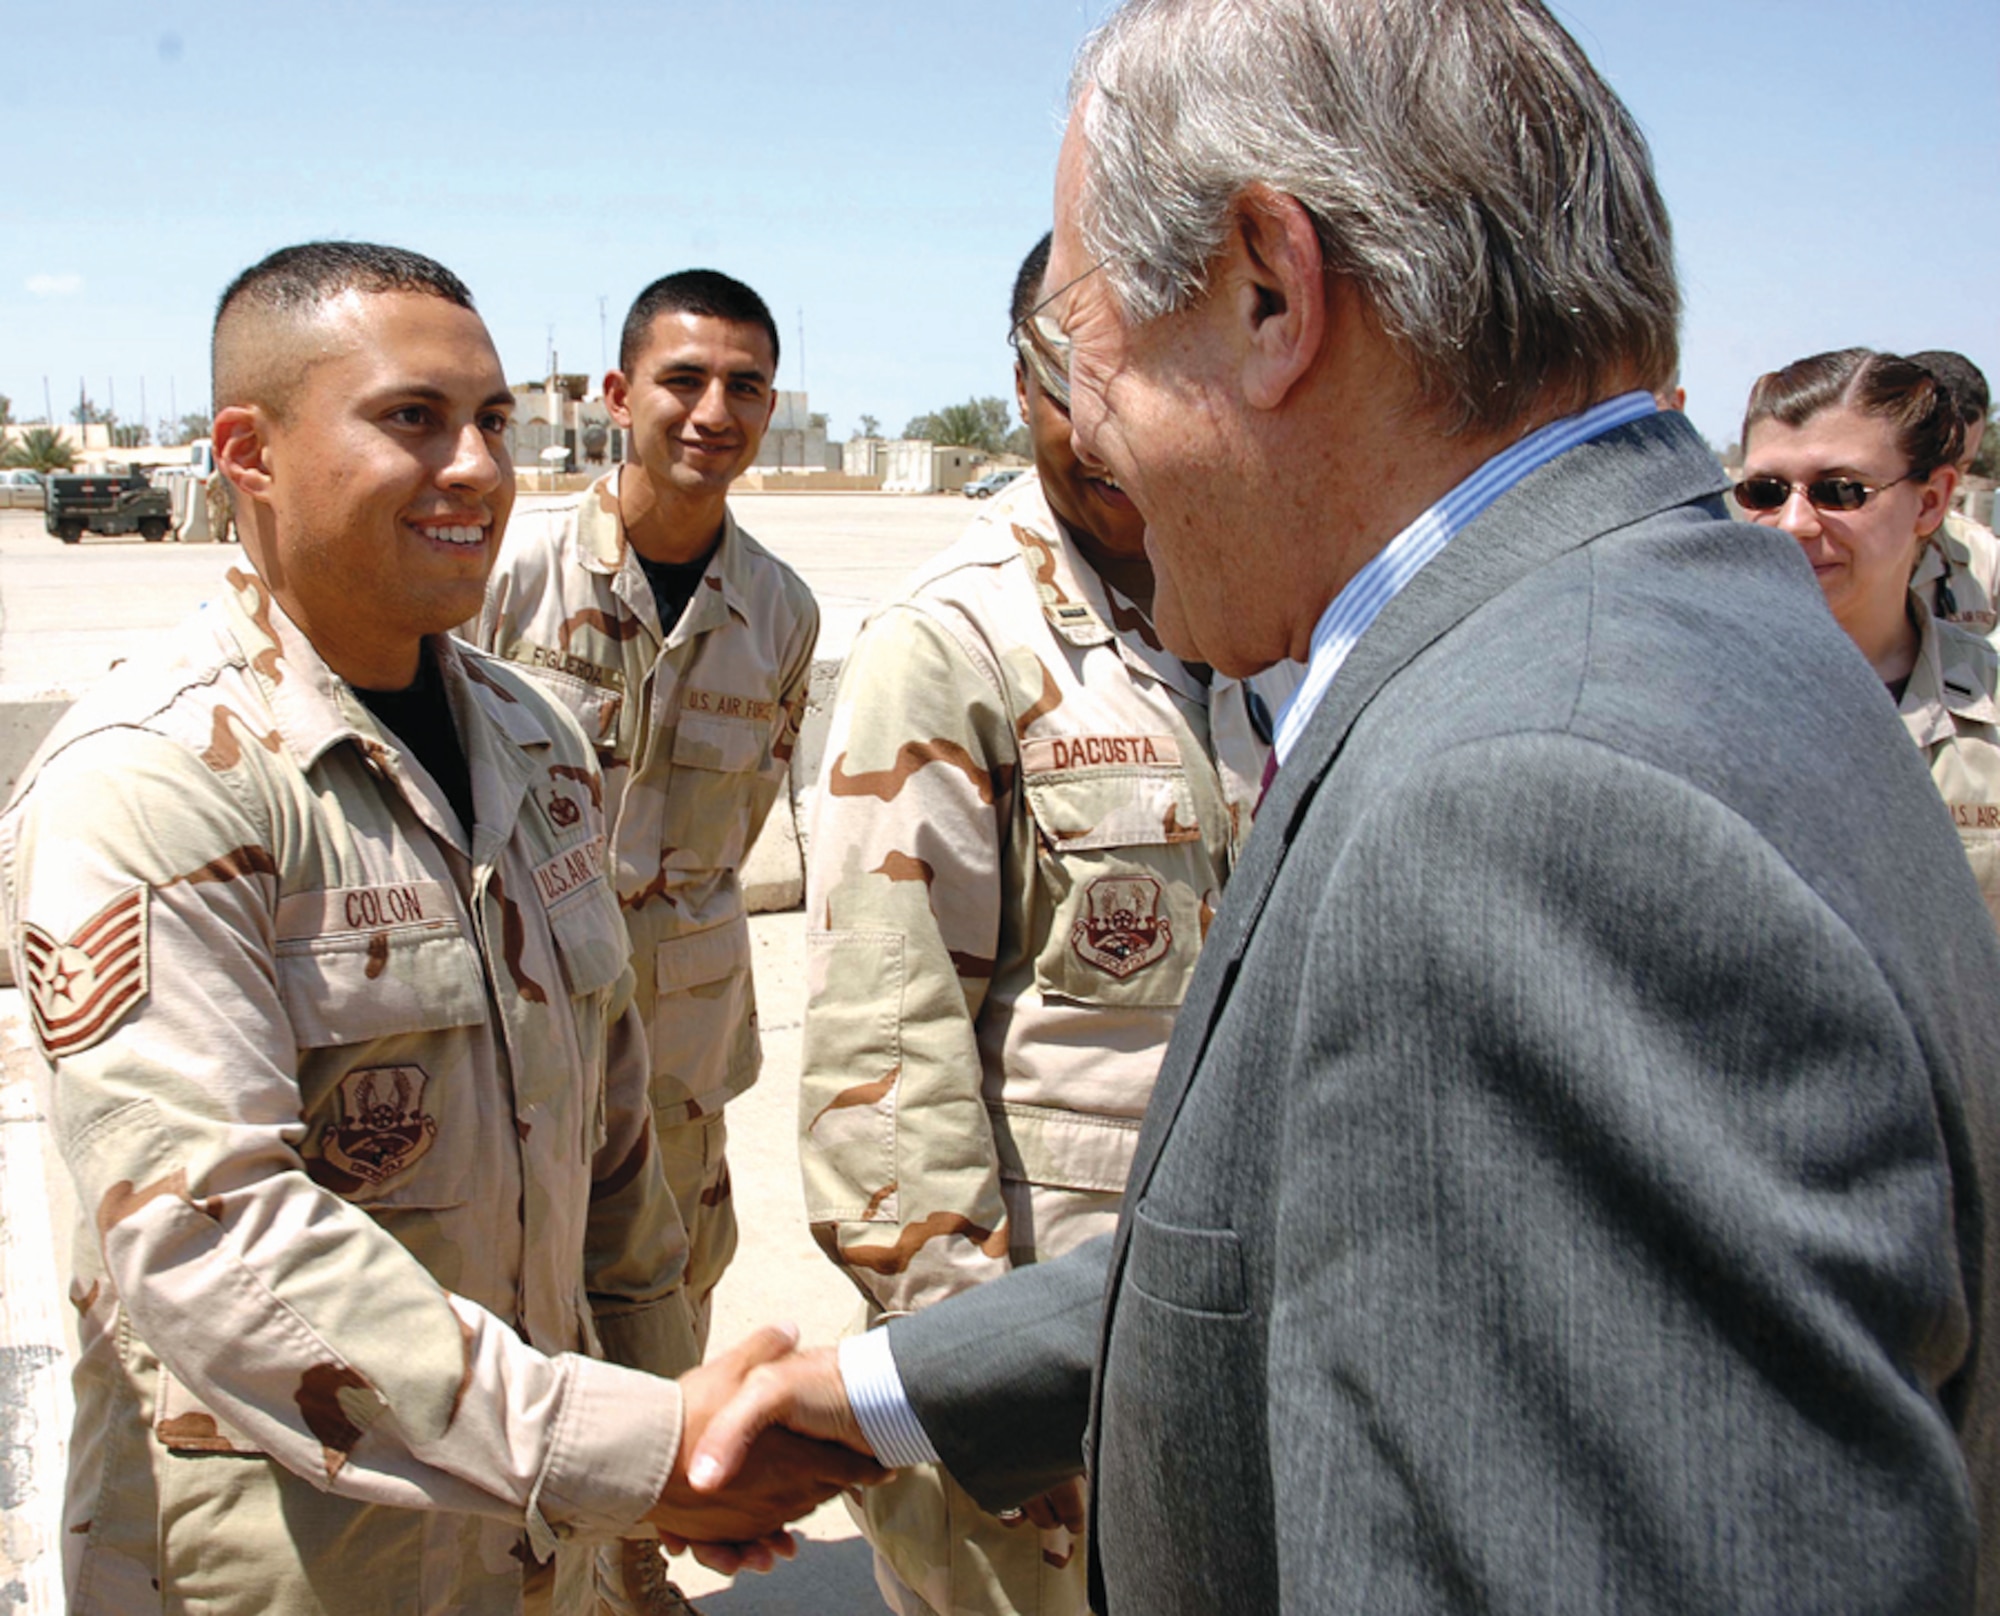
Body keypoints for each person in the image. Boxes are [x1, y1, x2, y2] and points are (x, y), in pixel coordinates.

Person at [687, 3, 2000, 1610]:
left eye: (1088, 336)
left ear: (1268, 293)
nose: (1080, 423)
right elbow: (1363, 1238)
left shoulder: (1535, 805)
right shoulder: (1688, 624)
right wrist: (888, 1392)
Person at [0, 242, 871, 1615]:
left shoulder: (534, 740)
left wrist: (677, 1442)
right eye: (412, 419)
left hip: (547, 1545)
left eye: (493, 422)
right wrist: (633, 1450)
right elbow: (215, 1237)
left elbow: (614, 1153)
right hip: (297, 1558)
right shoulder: (153, 782)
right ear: (250, 452)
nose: (475, 467)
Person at [799, 232, 1287, 1616]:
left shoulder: (1264, 615)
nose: (1114, 428)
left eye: (1161, 381)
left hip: (1227, 1321)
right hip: (1046, 1340)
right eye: (1079, 385)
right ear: (1023, 382)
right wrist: (978, 1383)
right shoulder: (951, 644)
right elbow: (886, 1051)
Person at [465, 272, 818, 1356]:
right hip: (518, 1035)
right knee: (507, 1319)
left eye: (745, 387)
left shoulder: (779, 613)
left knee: (664, 1323)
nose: (714, 412)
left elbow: (745, 817)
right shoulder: (511, 573)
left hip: (679, 1058)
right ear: (618, 396)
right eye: (684, 380)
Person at [1738, 349, 2000, 925]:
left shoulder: (1991, 709)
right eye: (1766, 491)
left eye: (1841, 491)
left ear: (1930, 502)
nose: (1793, 523)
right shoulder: (1682, 692)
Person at [1909, 350, 1999, 634]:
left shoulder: (1983, 556)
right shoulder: (1828, 551)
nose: (1943, 488)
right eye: (1930, 465)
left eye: (1961, 468)